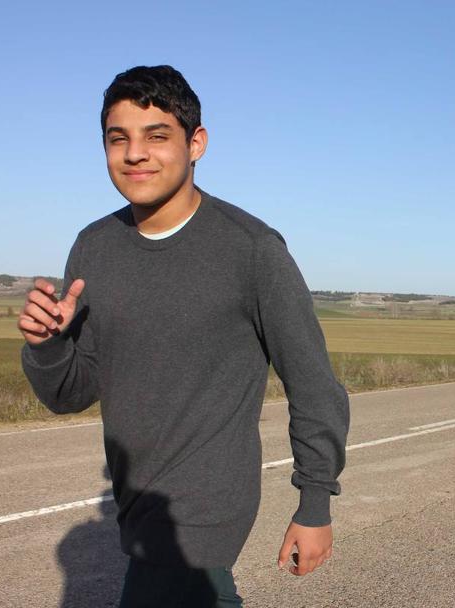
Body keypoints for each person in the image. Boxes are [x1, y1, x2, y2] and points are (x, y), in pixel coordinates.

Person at [18, 65, 350, 607]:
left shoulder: (252, 250)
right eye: (117, 139)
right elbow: (70, 394)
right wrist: (49, 346)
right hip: (139, 504)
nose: (135, 154)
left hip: (205, 507)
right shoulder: (94, 247)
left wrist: (314, 504)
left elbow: (313, 385)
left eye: (157, 136)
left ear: (196, 144)